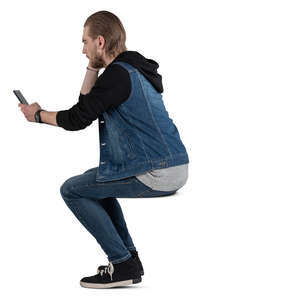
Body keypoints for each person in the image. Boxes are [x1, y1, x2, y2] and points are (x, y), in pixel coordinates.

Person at [18, 10, 189, 289]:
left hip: (158, 172)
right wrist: (92, 66)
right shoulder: (130, 69)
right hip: (172, 165)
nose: (82, 49)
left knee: (71, 189)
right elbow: (86, 106)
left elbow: (76, 119)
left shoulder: (118, 75)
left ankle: (121, 263)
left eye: (85, 42)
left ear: (100, 41)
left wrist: (38, 115)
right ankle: (129, 260)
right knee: (98, 178)